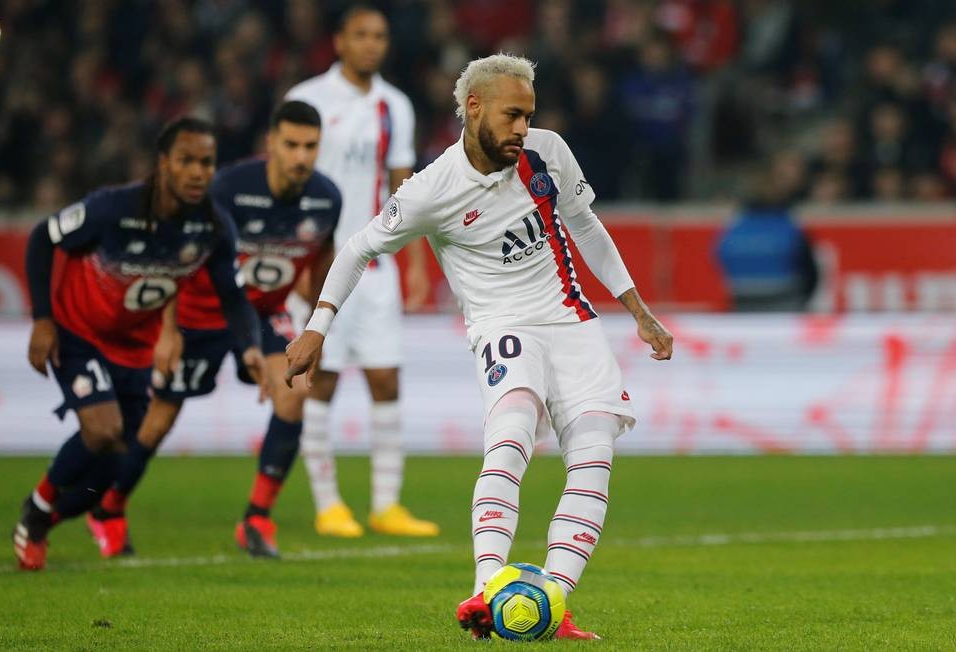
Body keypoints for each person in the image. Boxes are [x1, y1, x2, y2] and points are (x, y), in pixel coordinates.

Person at [284, 54, 673, 640]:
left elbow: (586, 226)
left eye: (528, 116)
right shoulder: (430, 190)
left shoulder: (548, 152)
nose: (522, 128)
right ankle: (486, 587)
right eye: (512, 115)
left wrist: (639, 312)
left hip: (571, 320)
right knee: (513, 433)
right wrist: (318, 325)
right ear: (474, 108)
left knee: (594, 454)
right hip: (501, 324)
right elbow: (358, 249)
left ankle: (551, 601)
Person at [85, 101, 342, 559]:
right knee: (159, 420)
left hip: (263, 313)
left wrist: (312, 326)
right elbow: (172, 250)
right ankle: (109, 508)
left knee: (295, 392)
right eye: (291, 145)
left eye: (310, 146)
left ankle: (257, 519)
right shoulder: (227, 189)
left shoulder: (327, 198)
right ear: (271, 145)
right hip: (198, 314)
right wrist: (167, 327)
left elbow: (323, 257)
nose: (301, 156)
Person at [14, 117, 264, 571]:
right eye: (186, 161)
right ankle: (37, 506)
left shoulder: (213, 226)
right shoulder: (113, 207)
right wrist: (42, 319)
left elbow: (233, 294)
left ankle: (46, 516)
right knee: (103, 431)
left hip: (134, 346)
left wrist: (249, 346)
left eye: (206, 163)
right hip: (78, 331)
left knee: (119, 458)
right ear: (163, 164)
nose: (197, 172)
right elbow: (41, 238)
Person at [284, 4, 437, 538]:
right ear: (339, 41)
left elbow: (406, 189)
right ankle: (328, 504)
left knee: (385, 377)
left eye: (380, 36)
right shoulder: (307, 100)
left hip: (377, 264)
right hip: (319, 263)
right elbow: (287, 184)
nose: (372, 44)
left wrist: (415, 261)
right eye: (362, 35)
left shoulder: (395, 106)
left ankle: (385, 505)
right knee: (321, 378)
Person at [715, 169, 819, 312]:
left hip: (743, 307)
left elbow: (720, 261)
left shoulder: (733, 227)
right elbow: (811, 273)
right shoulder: (789, 226)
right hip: (787, 306)